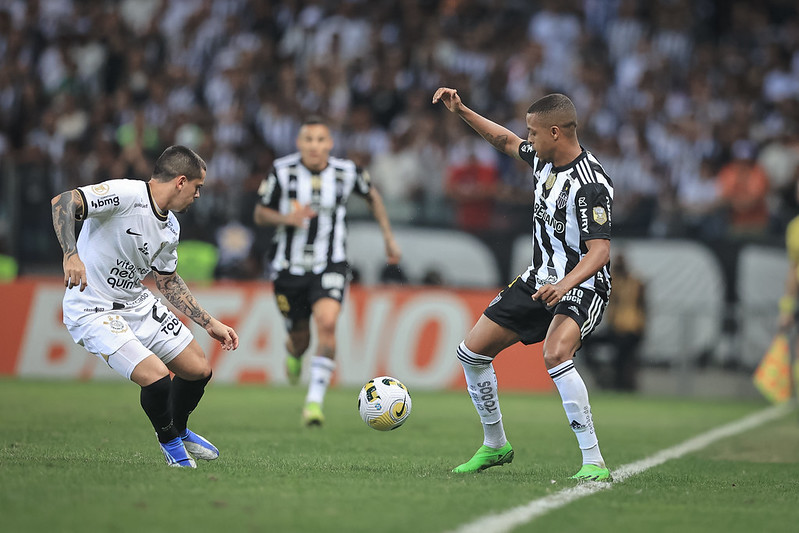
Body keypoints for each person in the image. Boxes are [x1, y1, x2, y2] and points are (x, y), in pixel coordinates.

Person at [433, 88, 613, 481]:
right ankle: (496, 445)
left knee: (555, 353)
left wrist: (565, 285)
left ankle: (593, 461)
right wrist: (462, 110)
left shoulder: (591, 184)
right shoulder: (542, 161)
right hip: (539, 278)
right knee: (472, 353)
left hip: (582, 285)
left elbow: (599, 252)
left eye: (532, 133)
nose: (526, 139)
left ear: (554, 132)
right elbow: (504, 140)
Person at [50, 145, 239, 468]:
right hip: (93, 307)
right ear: (181, 181)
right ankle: (168, 442)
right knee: (155, 377)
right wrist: (71, 254)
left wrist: (209, 323)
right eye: (197, 188)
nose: (197, 196)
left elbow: (167, 281)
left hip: (135, 302)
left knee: (198, 370)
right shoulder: (125, 194)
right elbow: (64, 201)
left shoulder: (171, 227)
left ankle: (178, 429)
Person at [254, 117, 401, 426]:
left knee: (328, 323)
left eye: (320, 140)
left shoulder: (346, 172)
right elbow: (259, 213)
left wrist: (388, 237)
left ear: (330, 144)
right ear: (299, 143)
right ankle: (294, 354)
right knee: (300, 339)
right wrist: (287, 219)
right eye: (308, 139)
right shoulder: (282, 170)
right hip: (288, 268)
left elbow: (372, 195)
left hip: (330, 263)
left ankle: (314, 403)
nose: (314, 146)